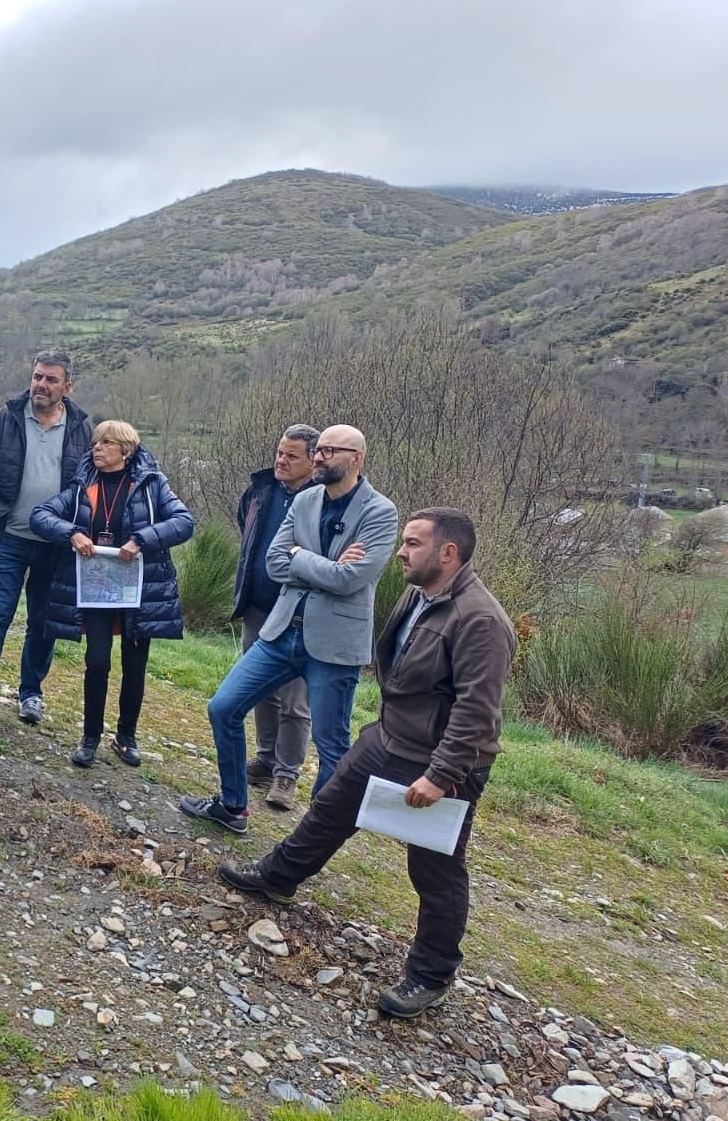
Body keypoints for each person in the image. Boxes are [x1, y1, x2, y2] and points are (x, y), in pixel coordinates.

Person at [216, 508, 515, 1019]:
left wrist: (441, 776)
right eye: (403, 541)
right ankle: (278, 877)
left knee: (436, 871)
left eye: (413, 543)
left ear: (448, 552)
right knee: (330, 807)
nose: (401, 551)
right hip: (390, 740)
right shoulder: (420, 593)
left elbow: (476, 711)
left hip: (442, 763)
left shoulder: (481, 620)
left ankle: (431, 974)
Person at [180, 425, 397, 833]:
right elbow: (274, 563)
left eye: (331, 451)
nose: (320, 457)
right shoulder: (305, 500)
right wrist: (323, 564)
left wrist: (302, 556)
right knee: (223, 707)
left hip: (334, 643)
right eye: (319, 451)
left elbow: (351, 578)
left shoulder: (379, 512)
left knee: (332, 745)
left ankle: (312, 838)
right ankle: (232, 806)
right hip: (281, 630)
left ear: (356, 459)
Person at [31, 421, 194, 767]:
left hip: (139, 590)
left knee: (135, 667)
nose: (97, 448)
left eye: (106, 442)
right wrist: (71, 533)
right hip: (96, 589)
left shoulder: (152, 483)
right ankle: (90, 737)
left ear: (126, 449)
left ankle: (126, 736)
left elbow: (184, 522)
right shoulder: (81, 484)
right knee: (97, 661)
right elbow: (40, 516)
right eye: (95, 442)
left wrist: (142, 540)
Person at [0, 352, 92, 741]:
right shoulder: (6, 420)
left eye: (51, 380)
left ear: (67, 387)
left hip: (56, 544)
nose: (41, 385)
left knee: (43, 622)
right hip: (9, 538)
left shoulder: (83, 430)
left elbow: (90, 486)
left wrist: (73, 529)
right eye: (37, 377)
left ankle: (31, 692)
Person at [233, 424, 320, 811]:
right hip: (258, 608)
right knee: (259, 690)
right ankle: (266, 759)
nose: (281, 461)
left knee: (296, 702)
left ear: (313, 462)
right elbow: (247, 529)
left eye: (291, 456)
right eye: (279, 453)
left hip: (302, 615)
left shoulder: (322, 500)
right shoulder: (261, 489)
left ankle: (287, 775)